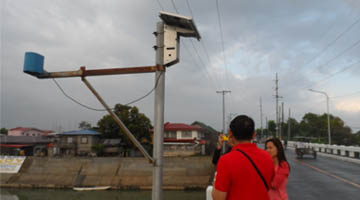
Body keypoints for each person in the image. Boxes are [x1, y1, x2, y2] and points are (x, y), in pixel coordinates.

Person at [212, 115, 275, 200]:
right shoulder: (268, 157)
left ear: (230, 133)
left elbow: (218, 198)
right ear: (254, 135)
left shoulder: (226, 160)